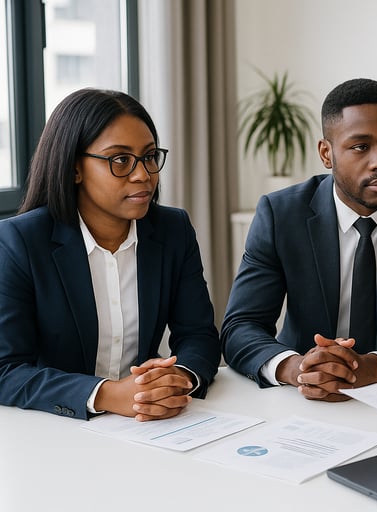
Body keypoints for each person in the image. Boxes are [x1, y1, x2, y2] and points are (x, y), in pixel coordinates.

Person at [222, 78, 377, 401]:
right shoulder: (281, 215)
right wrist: (297, 368)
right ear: (326, 153)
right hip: (303, 403)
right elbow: (240, 326)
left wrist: (373, 367)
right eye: (361, 147)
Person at [0, 88, 221, 421]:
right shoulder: (20, 241)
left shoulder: (173, 230)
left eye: (149, 156)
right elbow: (6, 370)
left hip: (148, 424)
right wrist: (105, 393)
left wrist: (181, 377)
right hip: (53, 428)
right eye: (120, 160)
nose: (143, 175)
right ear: (75, 169)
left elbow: (198, 334)